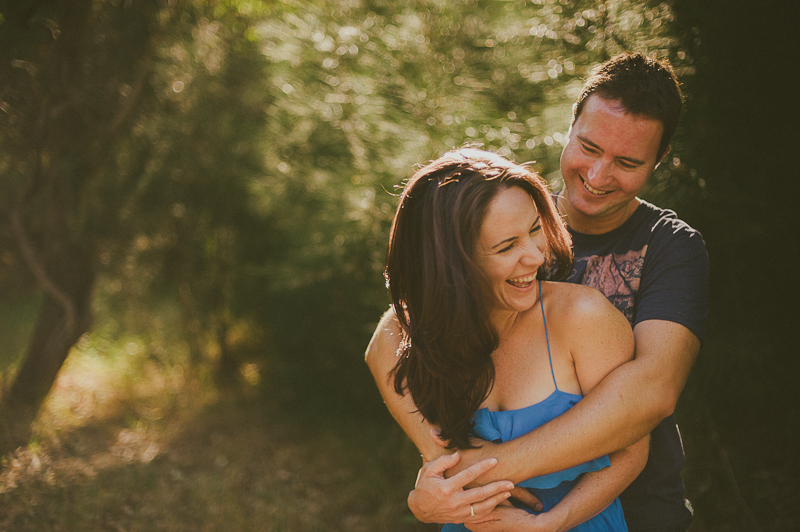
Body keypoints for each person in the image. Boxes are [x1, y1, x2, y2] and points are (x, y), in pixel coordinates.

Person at [365, 52, 709, 532]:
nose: (597, 174)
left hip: (639, 507)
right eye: (588, 147)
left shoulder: (672, 247)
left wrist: (481, 471)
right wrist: (438, 462)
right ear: (570, 125)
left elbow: (651, 393)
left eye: (627, 162)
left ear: (660, 159)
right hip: (493, 514)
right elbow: (397, 330)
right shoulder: (512, 213)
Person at [381, 147, 649, 530]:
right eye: (506, 246)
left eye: (535, 229)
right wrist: (429, 488)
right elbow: (379, 344)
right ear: (451, 264)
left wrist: (552, 522)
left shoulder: (583, 318)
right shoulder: (433, 326)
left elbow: (633, 448)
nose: (535, 257)